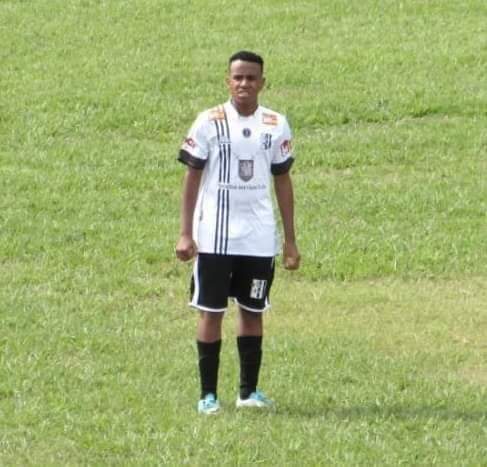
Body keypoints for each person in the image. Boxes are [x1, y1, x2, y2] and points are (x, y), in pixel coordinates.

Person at [175, 50, 300, 414]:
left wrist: (290, 241)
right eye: (238, 77)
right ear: (228, 81)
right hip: (214, 236)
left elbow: (283, 180)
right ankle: (208, 395)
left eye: (251, 77)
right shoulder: (208, 121)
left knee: (252, 311)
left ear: (263, 82)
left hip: (258, 238)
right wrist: (185, 233)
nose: (244, 83)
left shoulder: (276, 123)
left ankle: (248, 392)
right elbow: (192, 177)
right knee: (211, 312)